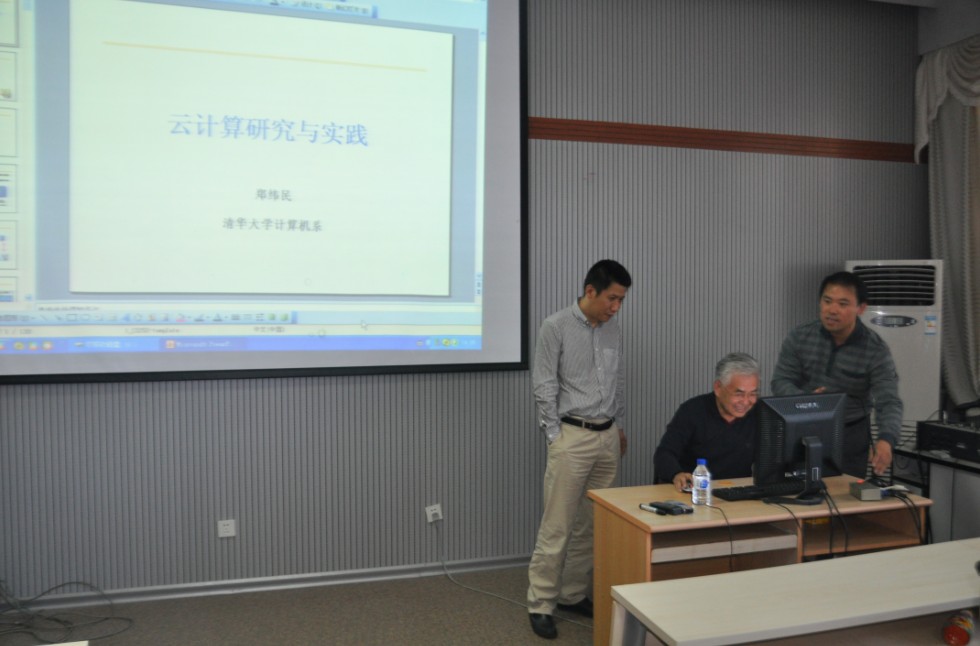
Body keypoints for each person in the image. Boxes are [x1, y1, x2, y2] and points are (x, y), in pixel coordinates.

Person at [526, 259, 631, 640]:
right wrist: (555, 436)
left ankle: (572, 594)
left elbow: (616, 379)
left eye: (621, 300)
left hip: (607, 435)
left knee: (592, 523)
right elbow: (544, 385)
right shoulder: (555, 326)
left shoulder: (612, 328)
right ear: (590, 291)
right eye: (612, 298)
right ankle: (541, 602)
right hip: (572, 436)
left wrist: (618, 425)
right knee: (557, 524)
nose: (616, 307)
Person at [771, 271, 902, 477]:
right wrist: (806, 401)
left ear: (861, 308)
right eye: (827, 301)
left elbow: (889, 400)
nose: (832, 310)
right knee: (796, 489)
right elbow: (781, 380)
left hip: (850, 434)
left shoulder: (875, 350)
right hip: (802, 426)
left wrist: (886, 439)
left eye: (843, 304)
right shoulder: (800, 336)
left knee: (845, 493)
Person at [654, 352, 761, 491]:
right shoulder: (693, 411)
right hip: (696, 492)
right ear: (718, 388)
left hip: (740, 492)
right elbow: (664, 454)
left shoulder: (760, 414)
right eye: (739, 394)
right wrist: (676, 474)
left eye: (753, 394)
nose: (746, 402)